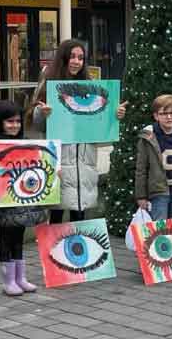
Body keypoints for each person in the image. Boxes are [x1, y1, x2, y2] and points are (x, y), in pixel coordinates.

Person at [29, 39, 127, 222]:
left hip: (84, 159)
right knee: (56, 212)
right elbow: (36, 124)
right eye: (72, 57)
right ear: (64, 58)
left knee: (80, 213)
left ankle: (78, 249)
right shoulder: (49, 81)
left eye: (81, 58)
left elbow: (100, 126)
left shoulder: (91, 85)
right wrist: (42, 114)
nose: (76, 61)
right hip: (60, 158)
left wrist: (114, 115)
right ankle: (54, 250)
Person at [0, 101, 47, 296]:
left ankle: (20, 277)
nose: (14, 125)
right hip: (5, 202)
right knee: (6, 237)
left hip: (23, 202)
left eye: (17, 121)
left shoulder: (27, 143)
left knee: (19, 238)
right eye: (9, 122)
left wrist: (52, 170)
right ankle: (8, 280)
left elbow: (38, 167)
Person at [135, 94, 172, 220]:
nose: (169, 117)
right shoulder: (149, 138)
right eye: (164, 114)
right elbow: (141, 169)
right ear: (156, 116)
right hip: (158, 191)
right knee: (159, 227)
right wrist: (141, 196)